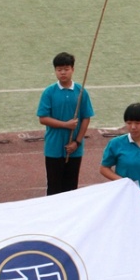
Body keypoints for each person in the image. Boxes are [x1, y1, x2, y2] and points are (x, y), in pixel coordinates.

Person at [37, 52, 94, 195]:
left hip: (74, 150)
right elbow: (43, 118)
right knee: (54, 188)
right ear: (55, 71)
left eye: (66, 69)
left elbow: (86, 118)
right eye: (59, 69)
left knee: (71, 188)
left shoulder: (81, 92)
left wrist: (77, 142)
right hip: (53, 148)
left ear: (72, 69)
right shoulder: (49, 92)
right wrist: (65, 125)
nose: (63, 73)